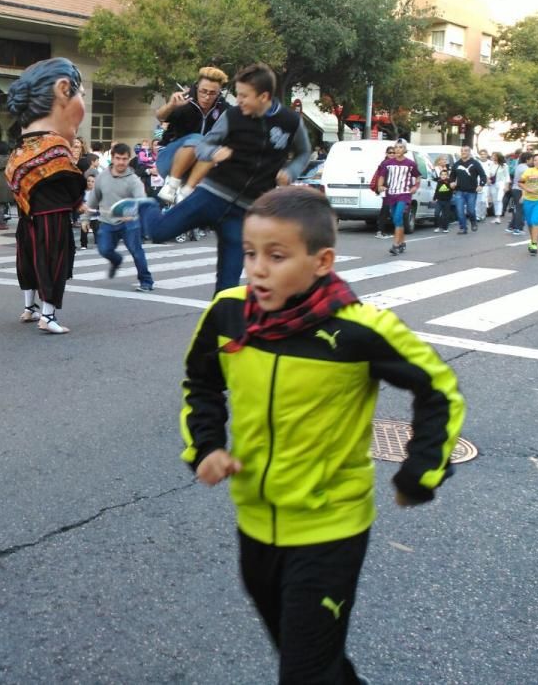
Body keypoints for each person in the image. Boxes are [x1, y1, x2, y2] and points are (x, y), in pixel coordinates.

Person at [181, 187, 465, 685]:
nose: (257, 270)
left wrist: (421, 470)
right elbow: (201, 383)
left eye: (276, 256)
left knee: (305, 673)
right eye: (250, 254)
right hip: (254, 524)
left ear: (321, 261)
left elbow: (438, 388)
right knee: (312, 661)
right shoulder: (227, 312)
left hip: (329, 530)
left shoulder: (359, 329)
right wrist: (206, 446)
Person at [112, 63, 312, 295]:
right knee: (158, 233)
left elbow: (304, 152)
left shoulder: (290, 122)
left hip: (246, 211)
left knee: (228, 285)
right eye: (237, 95)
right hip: (211, 195)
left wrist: (291, 172)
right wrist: (214, 153)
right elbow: (204, 145)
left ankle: (221, 328)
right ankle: (146, 206)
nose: (239, 100)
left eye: (244, 96)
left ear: (264, 96)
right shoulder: (233, 116)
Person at [4, 58, 87, 334]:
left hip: (27, 217)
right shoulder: (55, 149)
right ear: (64, 89)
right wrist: (80, 203)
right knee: (53, 262)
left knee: (28, 260)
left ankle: (30, 307)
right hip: (53, 216)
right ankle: (48, 315)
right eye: (81, 95)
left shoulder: (18, 150)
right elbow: (72, 184)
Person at [154, 67, 229, 204]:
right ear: (197, 87)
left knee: (213, 148)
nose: (206, 97)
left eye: (212, 93)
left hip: (197, 168)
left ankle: (186, 192)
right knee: (198, 140)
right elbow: (160, 116)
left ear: (219, 93)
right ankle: (170, 186)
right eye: (203, 91)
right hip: (169, 160)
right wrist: (171, 105)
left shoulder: (224, 109)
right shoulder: (185, 99)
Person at [89, 143, 154, 292]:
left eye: (124, 159)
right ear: (112, 158)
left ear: (128, 159)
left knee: (137, 252)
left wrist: (132, 213)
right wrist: (86, 217)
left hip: (129, 223)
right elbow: (93, 199)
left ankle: (146, 281)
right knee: (104, 250)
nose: (121, 162)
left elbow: (141, 200)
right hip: (107, 221)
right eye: (118, 158)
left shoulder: (133, 180)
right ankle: (116, 260)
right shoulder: (101, 177)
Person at [373, 140, 419, 255]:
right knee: (396, 219)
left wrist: (415, 187)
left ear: (405, 150)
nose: (398, 149)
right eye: (396, 147)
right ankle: (402, 242)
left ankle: (395, 245)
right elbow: (382, 176)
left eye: (400, 147)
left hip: (404, 194)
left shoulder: (410, 164)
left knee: (398, 217)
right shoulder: (387, 163)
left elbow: (418, 177)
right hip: (391, 194)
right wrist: (379, 186)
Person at [451, 146, 487, 234]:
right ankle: (463, 228)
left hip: (471, 191)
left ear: (469, 152)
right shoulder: (457, 164)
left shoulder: (475, 163)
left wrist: (481, 185)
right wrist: (451, 182)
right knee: (459, 211)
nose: (464, 152)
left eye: (466, 151)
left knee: (471, 210)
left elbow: (483, 176)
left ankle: (473, 221)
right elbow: (452, 176)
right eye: (462, 151)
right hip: (459, 191)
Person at [484, 151, 505, 224]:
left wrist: (506, 186)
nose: (493, 157)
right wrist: (488, 179)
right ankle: (496, 216)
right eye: (492, 156)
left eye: (494, 156)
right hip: (493, 184)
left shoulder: (504, 165)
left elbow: (507, 176)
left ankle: (498, 216)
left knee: (499, 199)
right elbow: (487, 174)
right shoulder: (490, 164)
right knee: (495, 200)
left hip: (501, 184)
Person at [433, 165, 455, 232]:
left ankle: (445, 228)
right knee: (436, 213)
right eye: (442, 175)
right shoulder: (439, 181)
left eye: (445, 175)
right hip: (439, 201)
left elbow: (453, 188)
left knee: (445, 215)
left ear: (447, 176)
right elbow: (437, 190)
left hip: (447, 201)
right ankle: (437, 226)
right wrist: (434, 198)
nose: (443, 176)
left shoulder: (449, 182)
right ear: (440, 175)